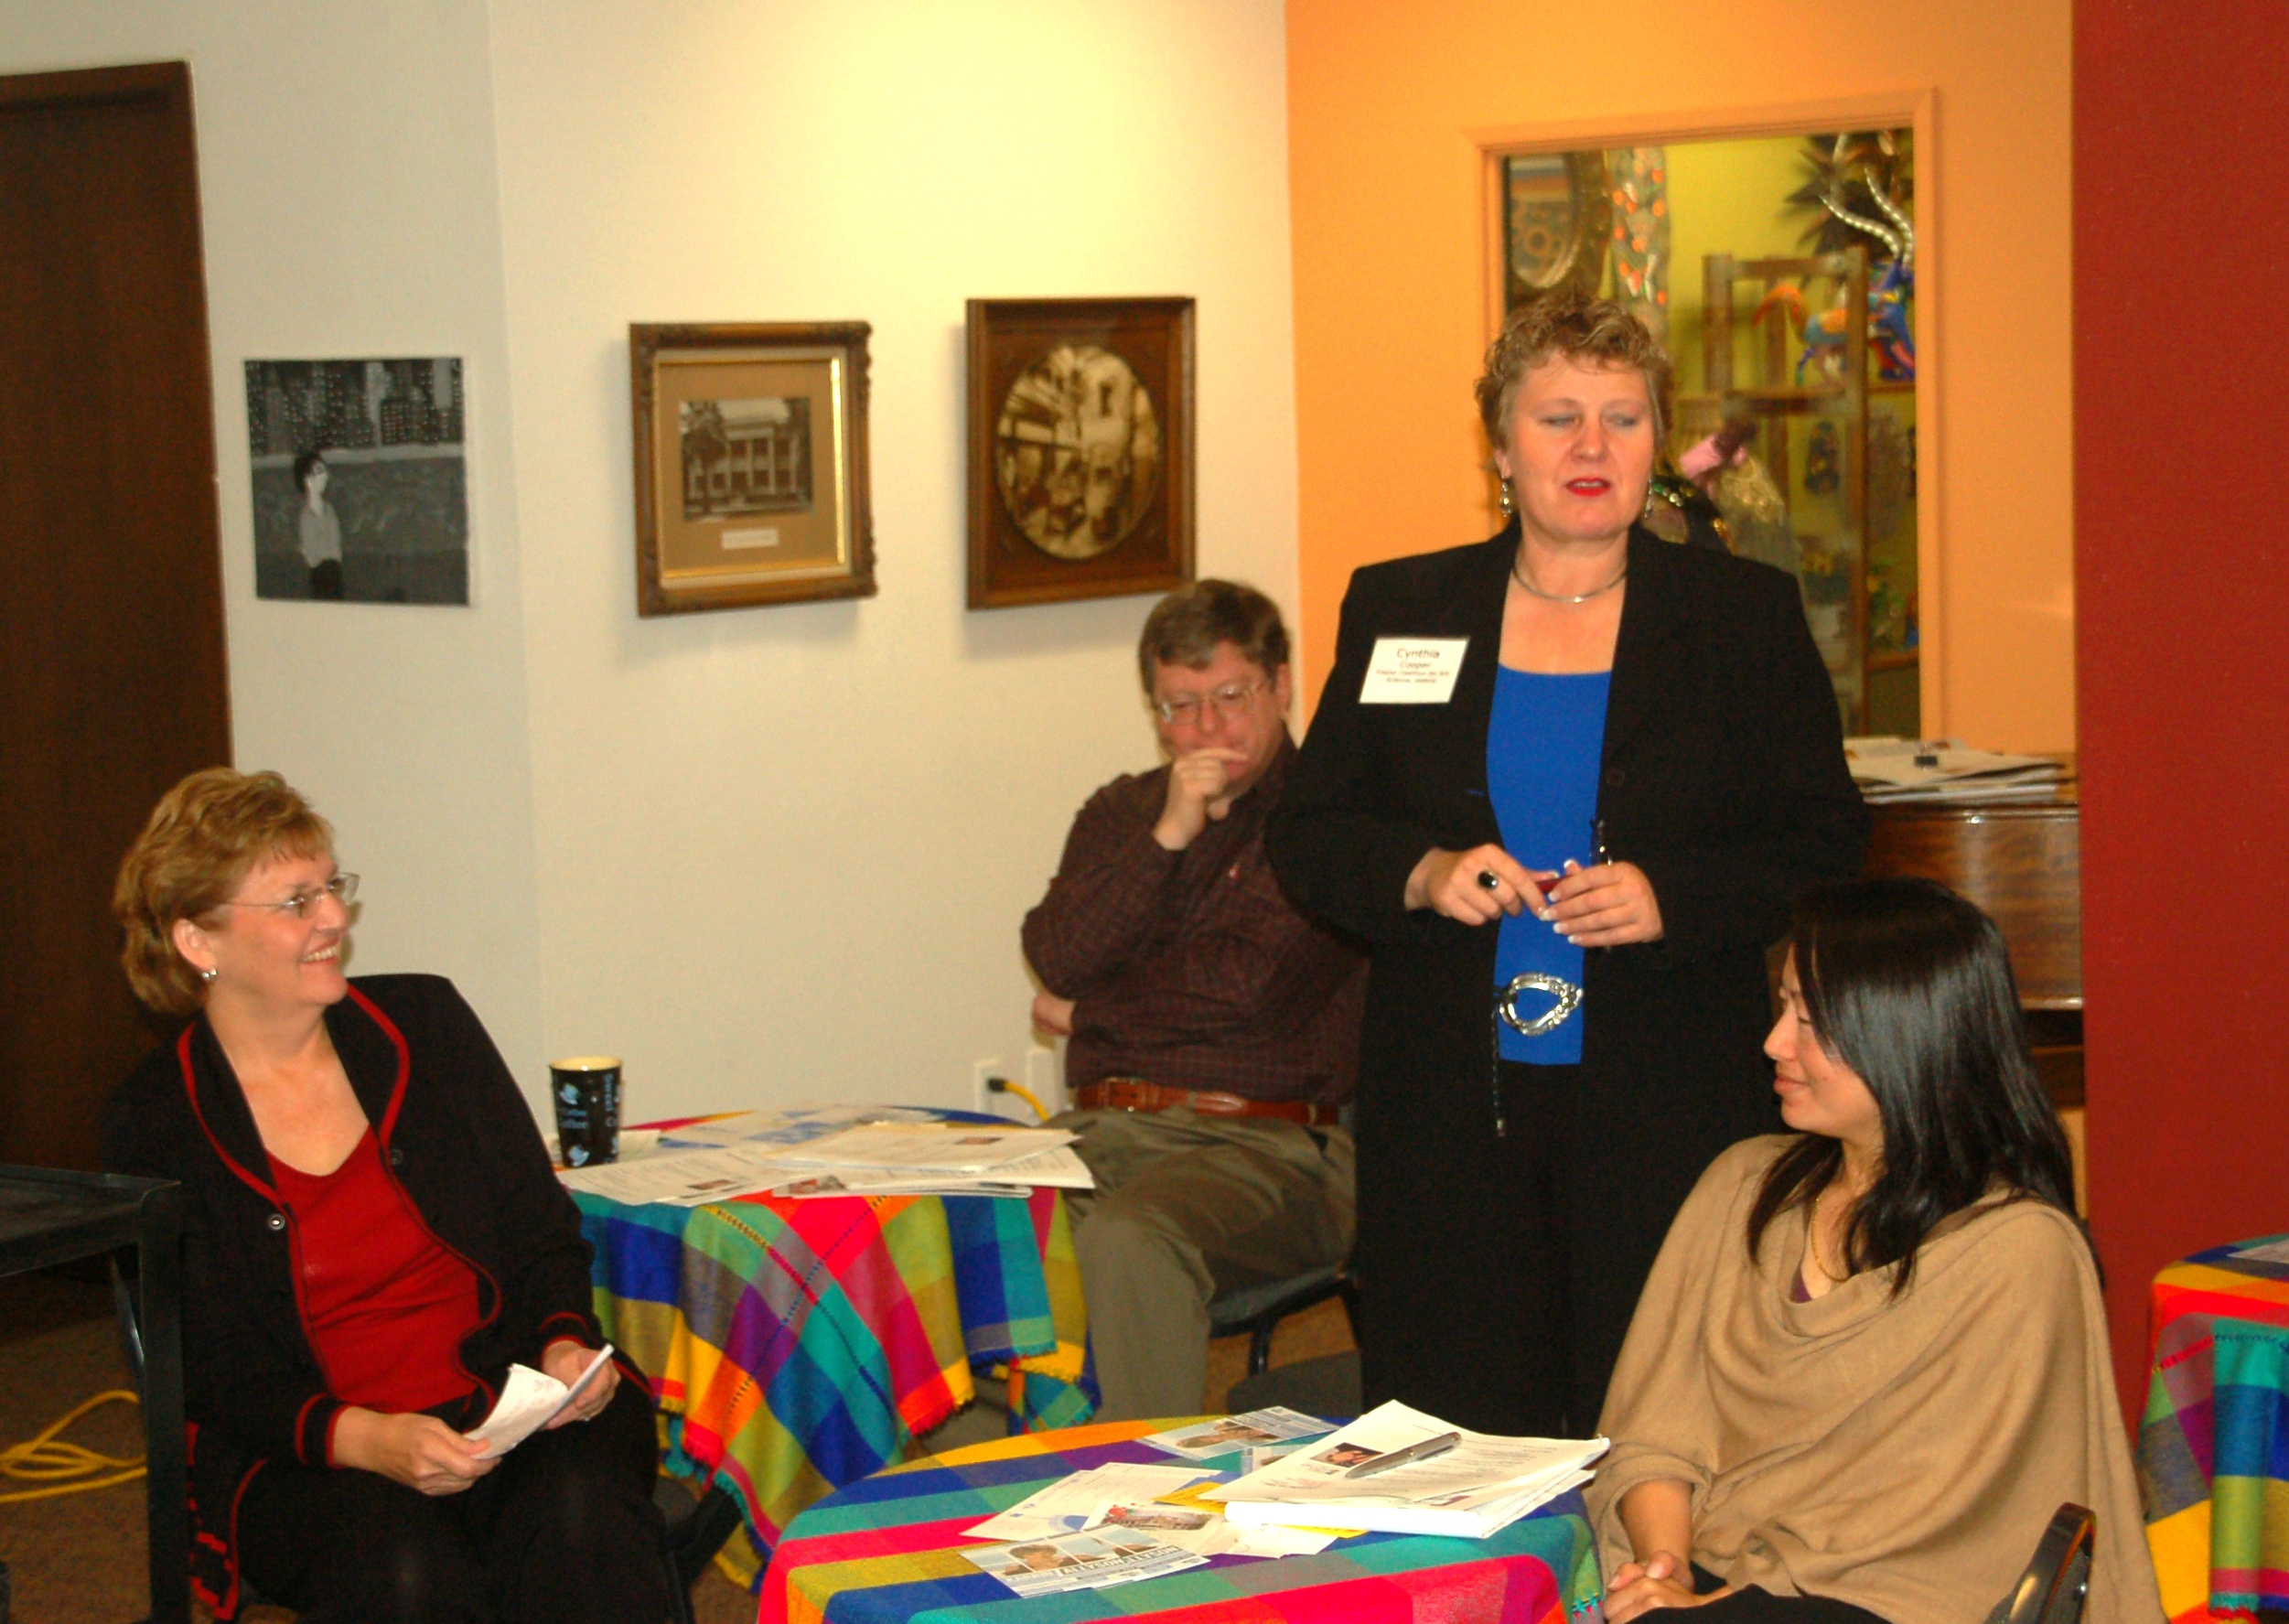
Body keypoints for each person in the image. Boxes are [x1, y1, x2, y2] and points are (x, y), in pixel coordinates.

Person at [1266, 288, 1869, 1436]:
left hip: (1669, 1092)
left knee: (1657, 1416)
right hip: (1451, 1099)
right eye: (1558, 419)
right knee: (1456, 1418)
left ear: (1656, 444)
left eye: (1622, 418)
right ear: (1501, 448)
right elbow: (1312, 829)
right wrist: (1422, 872)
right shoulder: (1403, 606)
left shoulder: (1741, 617)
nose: (1592, 447)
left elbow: (1825, 836)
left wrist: (1672, 895)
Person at [103, 768, 672, 1624]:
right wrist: (368, 1438)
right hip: (311, 1452)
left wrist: (562, 1345)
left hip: (508, 1396)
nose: (334, 917)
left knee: (578, 1514)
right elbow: (212, 1369)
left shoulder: (426, 1025)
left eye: (332, 886)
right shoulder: (155, 1119)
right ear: (196, 938)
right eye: (296, 901)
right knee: (404, 1571)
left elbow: (540, 1229)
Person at [1587, 878, 2163, 1624]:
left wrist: (1719, 1606)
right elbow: (1651, 1437)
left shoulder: (2018, 1250)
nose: (1774, 1042)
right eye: (1782, 1005)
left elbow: (1933, 1524)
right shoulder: (1742, 1186)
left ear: (1906, 1034)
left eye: (1810, 1020)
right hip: (1703, 1577)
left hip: (1887, 1601)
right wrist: (1665, 1576)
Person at [1023, 579, 1366, 1422]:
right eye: (1181, 706)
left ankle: (1142, 1485)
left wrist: (1090, 1013)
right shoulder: (1123, 812)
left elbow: (1246, 989)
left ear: (1280, 686)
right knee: (962, 1218)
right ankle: (990, 1469)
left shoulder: (1329, 816)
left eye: (1231, 697)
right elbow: (1058, 954)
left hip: (1271, 1143)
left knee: (1128, 1238)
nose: (1208, 729)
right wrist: (1167, 837)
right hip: (1102, 1126)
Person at [295, 449, 345, 599]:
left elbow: (336, 545)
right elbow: (311, 552)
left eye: (324, 470)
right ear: (307, 479)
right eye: (319, 471)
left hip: (335, 575)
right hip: (318, 578)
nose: (325, 476)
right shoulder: (305, 516)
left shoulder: (330, 510)